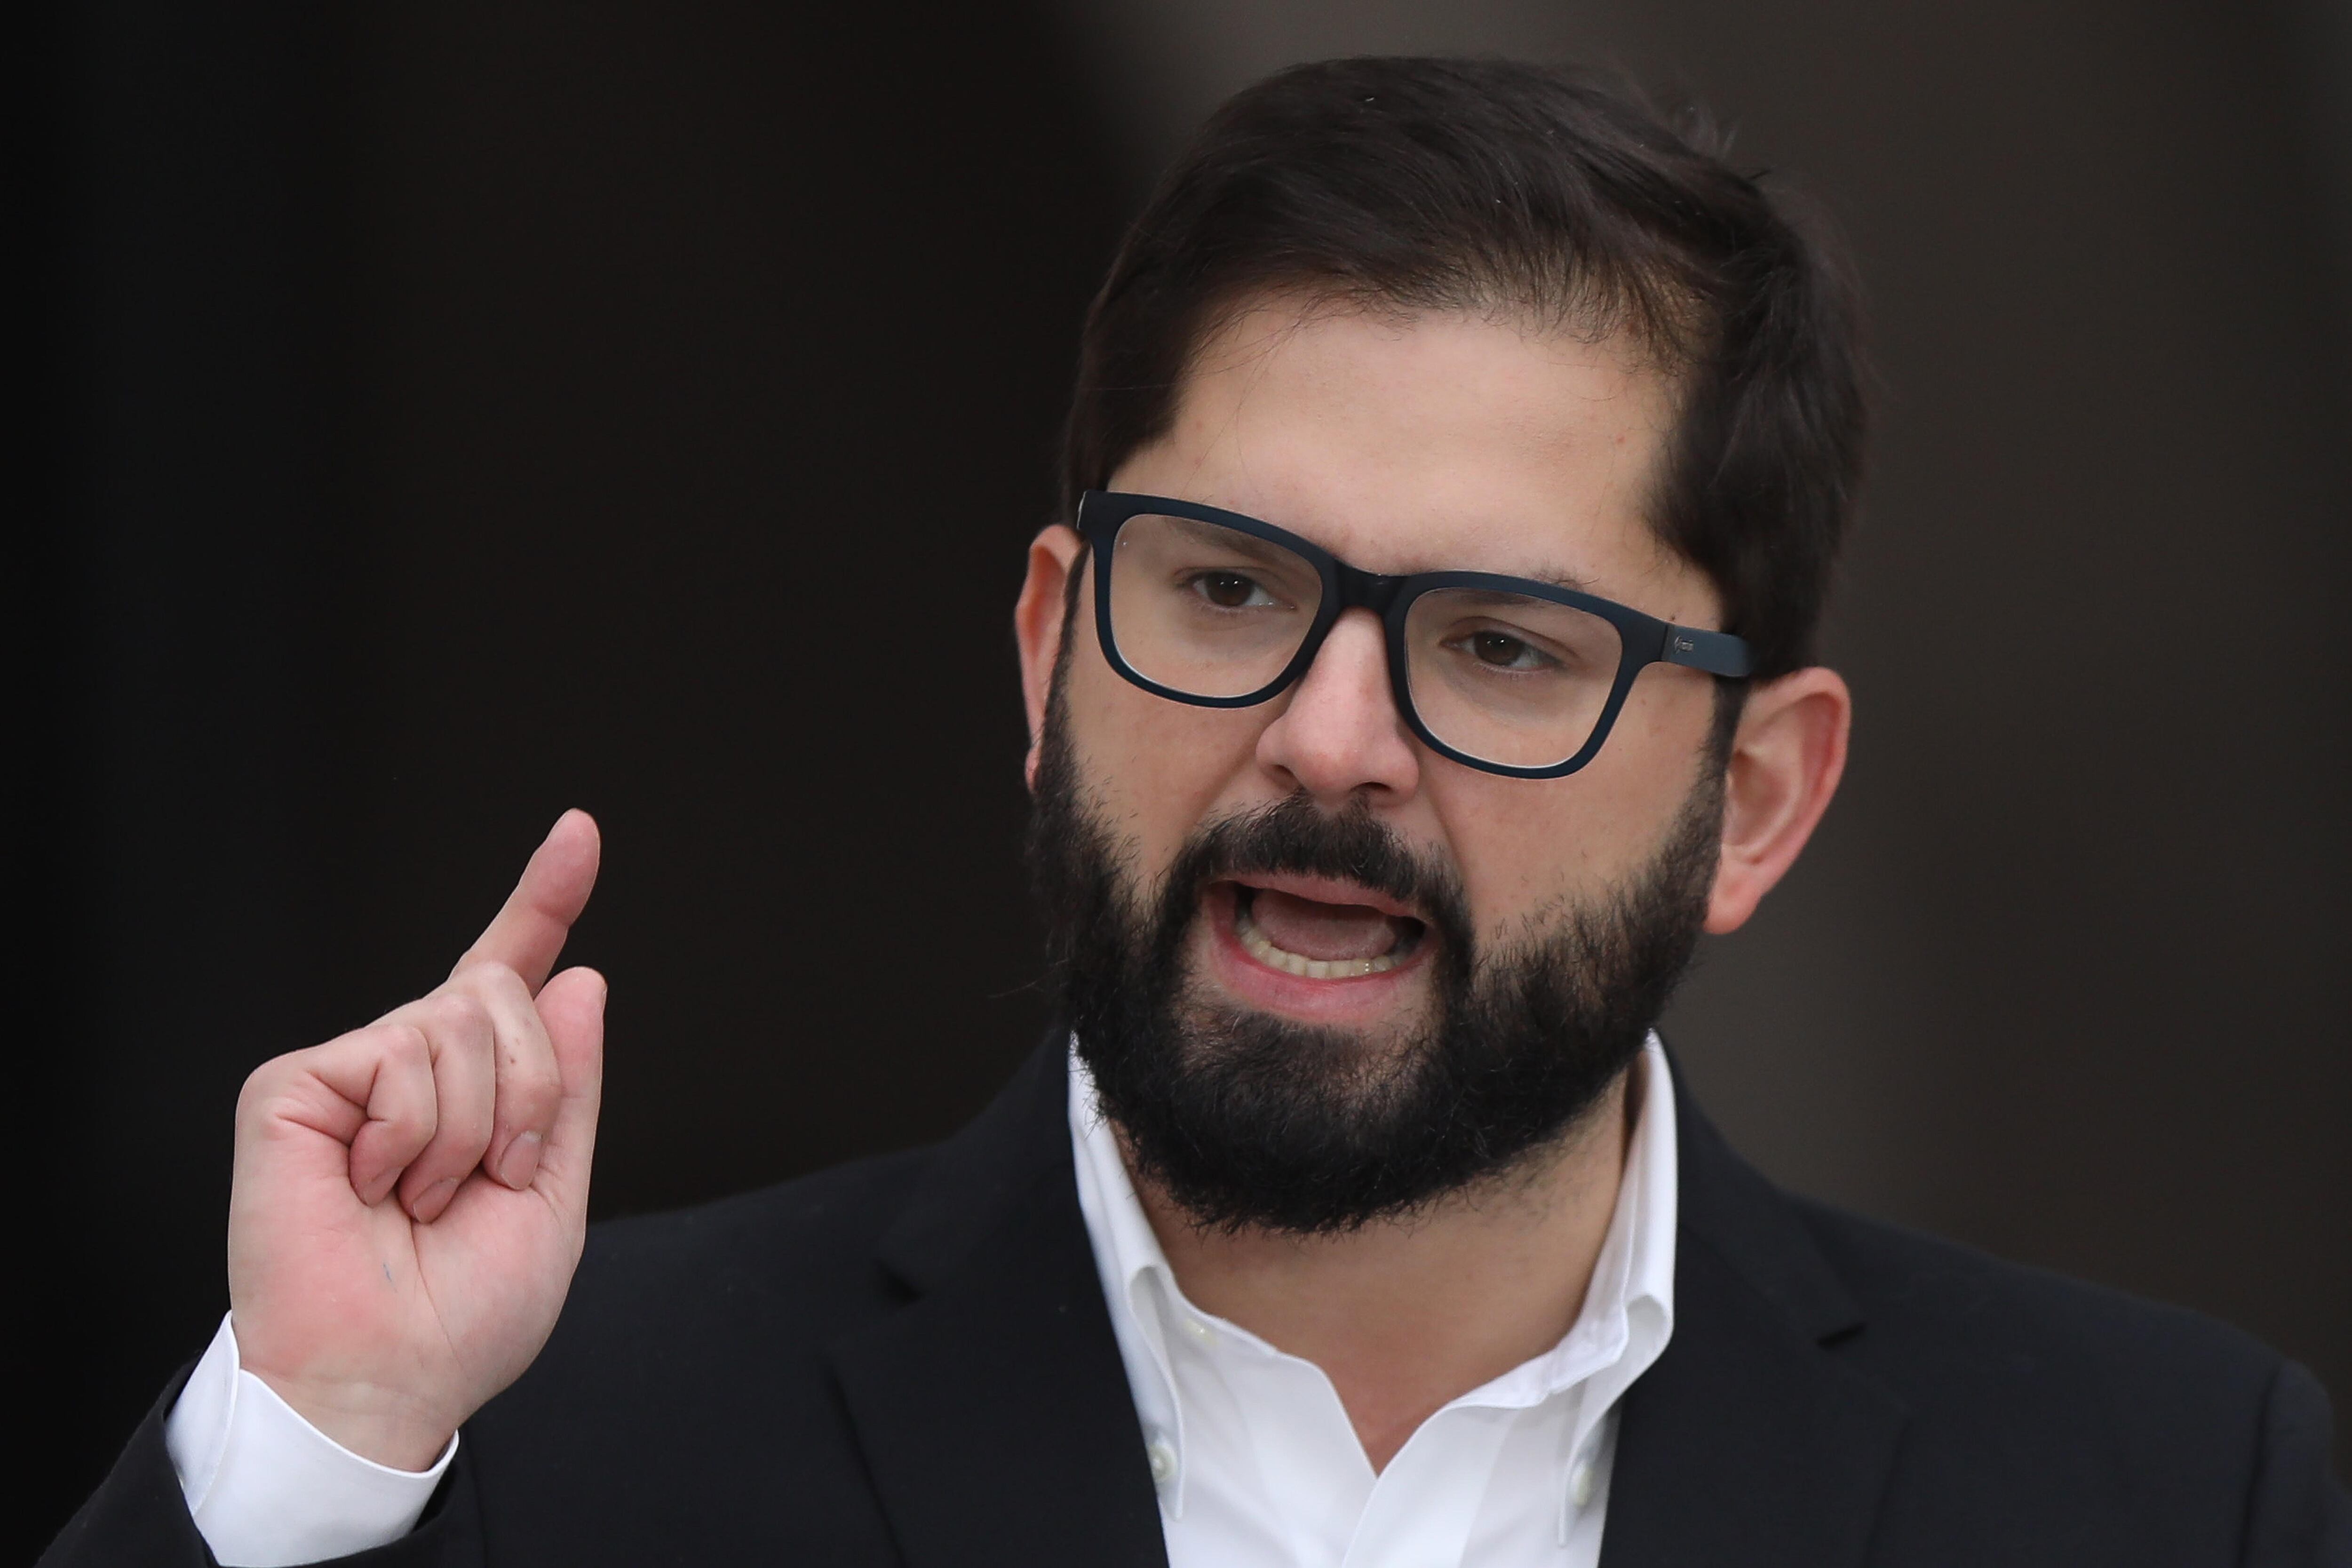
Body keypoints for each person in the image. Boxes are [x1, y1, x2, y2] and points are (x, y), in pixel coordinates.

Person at [43, 56, 2348, 1568]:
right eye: (1228, 591)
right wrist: (309, 1452)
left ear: (1751, 801)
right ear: (1050, 651)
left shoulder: (2157, 1493)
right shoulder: (539, 1444)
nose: (1329, 741)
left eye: (1497, 647)